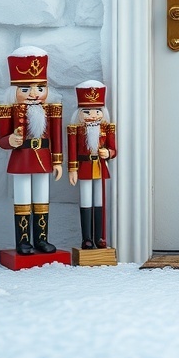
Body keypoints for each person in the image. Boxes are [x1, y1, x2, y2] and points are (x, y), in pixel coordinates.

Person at [0, 47, 63, 255]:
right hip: (22, 159)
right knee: (23, 200)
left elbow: (57, 137)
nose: (34, 94)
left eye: (39, 88)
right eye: (25, 89)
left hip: (44, 158)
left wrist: (59, 161)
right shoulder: (8, 110)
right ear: (14, 91)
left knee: (42, 200)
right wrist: (11, 139)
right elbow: (1, 140)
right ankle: (23, 241)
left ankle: (41, 239)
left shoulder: (51, 109)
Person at [67, 81, 116, 250]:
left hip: (100, 167)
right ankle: (86, 238)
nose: (93, 115)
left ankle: (100, 237)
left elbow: (113, 148)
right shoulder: (76, 130)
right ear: (79, 112)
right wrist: (72, 169)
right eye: (87, 111)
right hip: (85, 167)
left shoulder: (107, 128)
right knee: (86, 201)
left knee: (99, 202)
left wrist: (108, 153)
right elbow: (72, 151)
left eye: (97, 111)